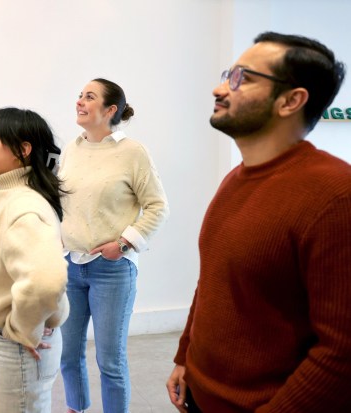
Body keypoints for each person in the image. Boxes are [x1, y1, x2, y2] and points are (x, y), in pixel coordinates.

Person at [166, 32, 351, 413]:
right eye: (226, 74)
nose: (220, 88)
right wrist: (186, 357)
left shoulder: (336, 195)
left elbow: (342, 351)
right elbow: (213, 281)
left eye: (242, 78)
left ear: (291, 101)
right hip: (200, 396)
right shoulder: (236, 179)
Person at [59, 78, 169, 413]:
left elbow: (157, 206)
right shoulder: (72, 149)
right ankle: (76, 409)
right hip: (69, 267)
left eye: (89, 97)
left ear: (110, 110)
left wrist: (123, 244)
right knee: (68, 355)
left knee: (110, 360)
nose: (80, 101)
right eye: (79, 95)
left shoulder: (132, 152)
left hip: (112, 269)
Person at [0, 107, 70, 413]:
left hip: (15, 345)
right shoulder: (3, 193)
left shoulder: (23, 205)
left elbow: (46, 282)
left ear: (23, 150)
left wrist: (22, 329)